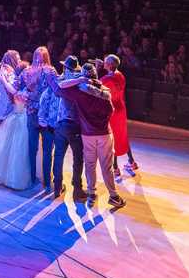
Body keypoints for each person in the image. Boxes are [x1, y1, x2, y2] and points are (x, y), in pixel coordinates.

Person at [55, 63, 124, 209]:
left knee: (90, 165)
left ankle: (91, 194)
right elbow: (111, 111)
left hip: (87, 135)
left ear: (83, 77)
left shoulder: (79, 92)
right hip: (104, 134)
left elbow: (59, 87)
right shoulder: (105, 92)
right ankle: (113, 196)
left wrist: (77, 80)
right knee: (107, 167)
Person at [0, 90, 33, 190]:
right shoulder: (16, 85)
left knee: (16, 148)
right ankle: (6, 176)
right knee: (8, 147)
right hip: (15, 117)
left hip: (20, 117)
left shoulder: (22, 86)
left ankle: (10, 177)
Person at [51, 56, 88, 201]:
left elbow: (60, 84)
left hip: (61, 124)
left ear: (66, 68)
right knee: (78, 158)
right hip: (74, 125)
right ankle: (77, 189)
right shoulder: (78, 82)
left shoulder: (63, 81)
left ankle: (57, 187)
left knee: (59, 156)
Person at [19, 47, 54, 186]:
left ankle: (32, 178)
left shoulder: (27, 71)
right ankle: (47, 181)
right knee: (47, 150)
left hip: (32, 113)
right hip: (46, 116)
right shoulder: (51, 71)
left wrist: (26, 95)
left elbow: (16, 87)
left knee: (32, 149)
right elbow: (56, 91)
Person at [102, 54, 138, 177]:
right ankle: (131, 162)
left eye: (105, 62)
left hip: (112, 110)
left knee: (113, 138)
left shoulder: (107, 79)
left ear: (110, 64)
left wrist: (97, 69)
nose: (104, 63)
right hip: (121, 109)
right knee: (122, 135)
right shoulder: (120, 75)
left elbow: (96, 84)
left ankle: (115, 168)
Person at [37, 70, 65, 197]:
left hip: (48, 128)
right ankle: (57, 186)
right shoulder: (63, 92)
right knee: (58, 156)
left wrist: (44, 123)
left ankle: (47, 184)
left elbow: (41, 113)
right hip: (60, 129)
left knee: (47, 155)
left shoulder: (46, 92)